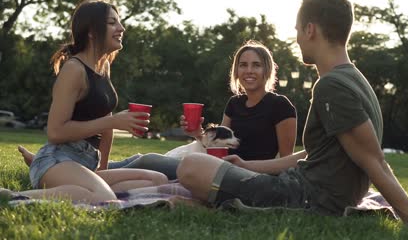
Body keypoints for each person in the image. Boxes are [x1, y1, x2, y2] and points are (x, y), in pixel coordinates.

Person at [175, 0, 408, 224]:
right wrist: (247, 165)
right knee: (201, 165)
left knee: (191, 166)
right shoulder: (354, 78)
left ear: (310, 30)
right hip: (304, 187)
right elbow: (314, 154)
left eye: (297, 30)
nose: (298, 38)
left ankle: (218, 203)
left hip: (306, 199)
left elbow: (373, 160)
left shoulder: (331, 86)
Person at [19, 41, 297, 180]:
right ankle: (62, 168)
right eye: (243, 65)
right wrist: (197, 133)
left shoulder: (280, 106)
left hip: (243, 175)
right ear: (236, 70)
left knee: (148, 161)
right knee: (141, 158)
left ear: (268, 70)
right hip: (214, 164)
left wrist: (248, 170)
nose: (249, 71)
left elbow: (285, 163)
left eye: (256, 65)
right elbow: (218, 145)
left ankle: (61, 169)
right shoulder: (234, 104)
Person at [3, 0, 168, 203]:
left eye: (119, 21)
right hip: (57, 160)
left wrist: (102, 170)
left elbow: (106, 128)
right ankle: (14, 197)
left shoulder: (103, 67)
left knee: (158, 180)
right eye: (111, 23)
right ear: (91, 31)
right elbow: (55, 132)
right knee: (103, 196)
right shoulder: (74, 69)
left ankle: (88, 190)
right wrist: (113, 121)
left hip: (86, 163)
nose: (121, 28)